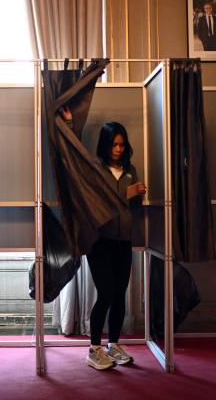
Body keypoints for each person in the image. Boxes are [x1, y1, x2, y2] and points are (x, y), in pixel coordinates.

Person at [61, 108, 147, 370]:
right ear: (106, 145)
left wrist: (137, 194)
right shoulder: (96, 170)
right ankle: (94, 348)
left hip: (123, 241)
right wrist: (69, 124)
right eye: (114, 144)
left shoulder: (130, 169)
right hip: (100, 242)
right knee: (107, 293)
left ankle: (114, 345)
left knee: (120, 294)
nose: (119, 149)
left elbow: (130, 206)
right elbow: (97, 202)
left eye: (122, 144)